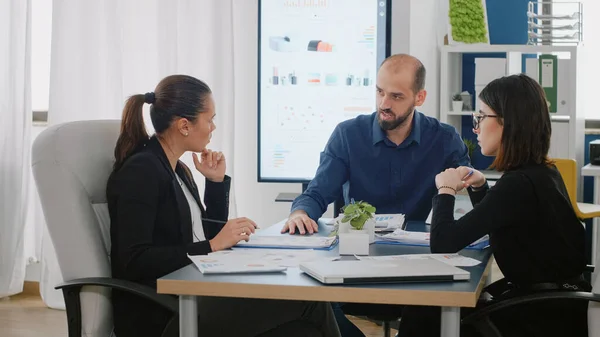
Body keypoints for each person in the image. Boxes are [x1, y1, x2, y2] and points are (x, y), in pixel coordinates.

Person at [107, 74, 341, 337]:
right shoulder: (142, 171)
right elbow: (134, 260)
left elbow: (201, 235)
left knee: (300, 331)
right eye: (210, 119)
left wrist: (215, 183)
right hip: (163, 312)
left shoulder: (177, 169)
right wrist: (213, 246)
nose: (213, 128)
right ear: (185, 125)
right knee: (310, 302)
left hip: (191, 293)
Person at [280, 54, 471, 337]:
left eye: (396, 96)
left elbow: (463, 194)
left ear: (419, 97)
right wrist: (300, 213)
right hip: (356, 261)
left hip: (417, 265)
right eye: (380, 92)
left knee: (442, 307)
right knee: (311, 302)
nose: (384, 104)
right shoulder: (348, 135)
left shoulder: (444, 139)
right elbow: (318, 192)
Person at [397, 74, 590, 337]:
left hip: (536, 319)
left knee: (423, 311)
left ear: (508, 123)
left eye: (481, 117)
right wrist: (480, 187)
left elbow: (443, 243)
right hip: (556, 309)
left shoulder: (518, 184)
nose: (475, 127)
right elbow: (503, 220)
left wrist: (445, 190)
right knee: (427, 310)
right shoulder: (541, 172)